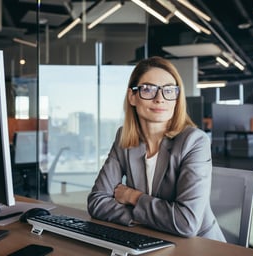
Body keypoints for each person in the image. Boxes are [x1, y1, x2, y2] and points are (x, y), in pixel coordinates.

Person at [87, 56, 225, 242]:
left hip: (199, 246)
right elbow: (97, 202)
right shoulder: (124, 138)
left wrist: (133, 197)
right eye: (148, 89)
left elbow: (186, 222)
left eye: (169, 90)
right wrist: (146, 218)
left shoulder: (193, 141)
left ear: (177, 98)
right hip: (149, 240)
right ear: (133, 97)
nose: (160, 99)